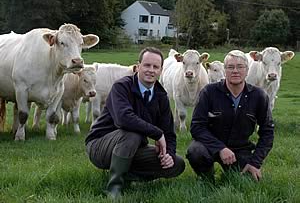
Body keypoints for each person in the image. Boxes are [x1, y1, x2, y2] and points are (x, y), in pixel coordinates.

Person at [85, 47, 185, 198]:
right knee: (133, 134)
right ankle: (114, 189)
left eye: (155, 67)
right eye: (147, 65)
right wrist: (157, 134)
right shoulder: (121, 87)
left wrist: (169, 154)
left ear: (161, 71)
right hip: (100, 146)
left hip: (133, 147)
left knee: (177, 164)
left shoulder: (161, 96)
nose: (151, 70)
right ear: (138, 67)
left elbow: (169, 133)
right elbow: (123, 118)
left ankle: (126, 175)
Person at [186, 50, 274, 182]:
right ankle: (206, 178)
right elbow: (197, 127)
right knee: (196, 152)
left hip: (240, 148)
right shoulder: (209, 92)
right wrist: (220, 148)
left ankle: (235, 171)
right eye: (230, 67)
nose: (235, 71)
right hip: (209, 145)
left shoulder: (259, 96)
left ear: (247, 70)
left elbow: (267, 132)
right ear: (224, 70)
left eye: (240, 67)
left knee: (248, 180)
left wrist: (255, 162)